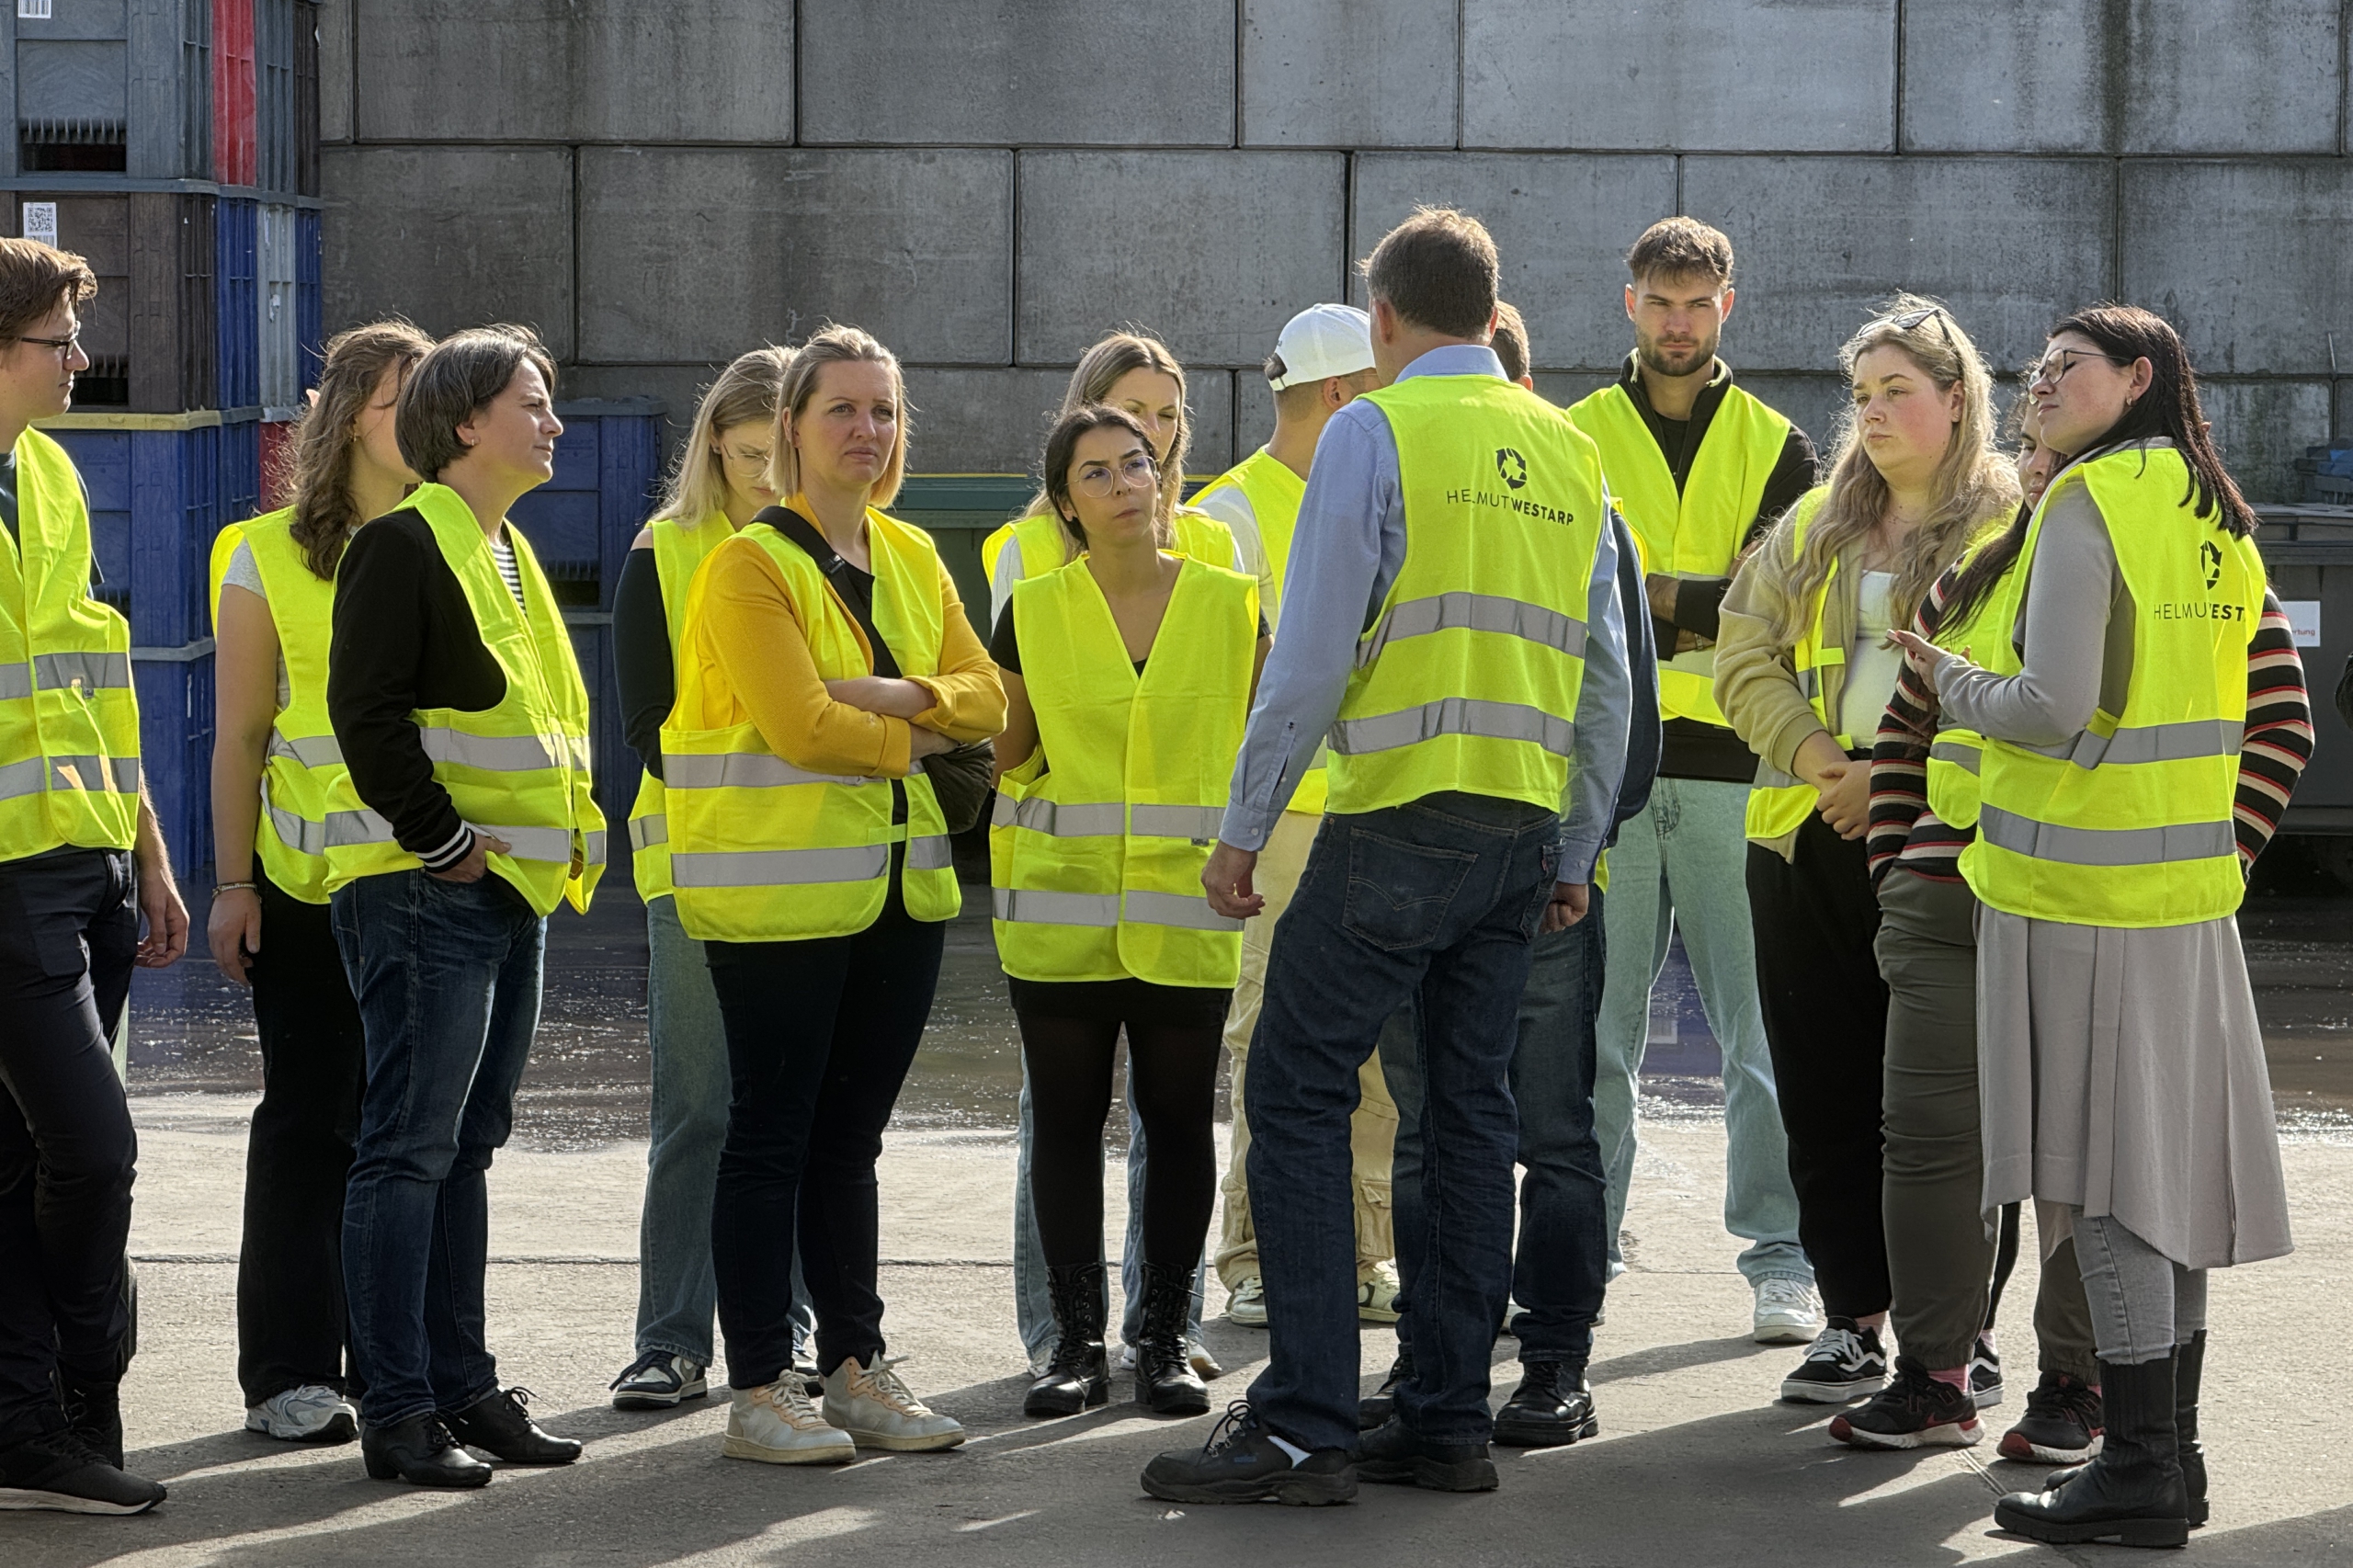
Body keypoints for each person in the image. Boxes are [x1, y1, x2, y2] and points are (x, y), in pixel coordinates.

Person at [1142, 207, 1629, 1505]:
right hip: (1522, 832)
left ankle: (1302, 1419)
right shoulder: (1573, 449)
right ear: (1489, 310)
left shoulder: (1373, 427)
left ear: (1385, 323)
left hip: (1398, 816)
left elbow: (1309, 655)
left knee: (1296, 1092)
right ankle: (1444, 1418)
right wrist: (1576, 843)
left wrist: (1244, 826)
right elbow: (1603, 684)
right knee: (1469, 1119)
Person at [1888, 307, 2294, 1548]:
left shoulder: (2085, 504)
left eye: (2075, 365)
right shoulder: (2209, 512)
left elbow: (2054, 705)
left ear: (2144, 378)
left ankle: (2138, 1474)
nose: (2043, 381)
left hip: (2075, 894)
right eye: (2040, 366)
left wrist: (1941, 670)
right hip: (2184, 898)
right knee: (2167, 1185)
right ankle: (2176, 1464)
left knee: (2102, 1196)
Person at [661, 325, 1002, 1465]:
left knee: (848, 1141)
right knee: (768, 1137)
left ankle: (854, 1366)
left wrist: (898, 693)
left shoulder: (908, 552)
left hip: (899, 894)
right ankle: (760, 1383)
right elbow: (798, 724)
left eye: (885, 410)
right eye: (843, 409)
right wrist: (926, 734)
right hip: (778, 900)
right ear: (792, 430)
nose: (868, 429)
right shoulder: (749, 563)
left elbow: (989, 699)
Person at [1368, 300, 1665, 1449]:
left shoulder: (1425, 469)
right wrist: (1580, 850)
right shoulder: (1577, 482)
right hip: (1536, 853)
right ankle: (1536, 1366)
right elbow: (1610, 694)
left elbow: (1605, 690)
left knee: (1451, 1124)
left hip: (1434, 845)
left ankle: (1462, 1361)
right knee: (1542, 1123)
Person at [1714, 297, 2017, 1405]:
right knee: (1822, 1081)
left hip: (1944, 835)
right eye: (1861, 395)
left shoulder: (2010, 524)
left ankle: (1961, 1332)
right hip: (1809, 830)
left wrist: (1885, 781)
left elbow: (2017, 688)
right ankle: (1852, 1320)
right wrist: (1816, 763)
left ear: (1955, 400)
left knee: (1950, 1100)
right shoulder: (1815, 524)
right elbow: (1741, 654)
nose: (1875, 413)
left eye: (1898, 391)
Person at [325, 324, 606, 1488]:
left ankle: (461, 1385)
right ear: (464, 424)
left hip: (507, 895)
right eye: (532, 403)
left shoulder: (506, 550)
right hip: (427, 895)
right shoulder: (403, 545)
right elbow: (368, 713)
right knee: (409, 1149)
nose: (551, 422)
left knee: (466, 1148)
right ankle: (396, 1409)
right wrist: (443, 842)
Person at [1565, 218, 1820, 1342]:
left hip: (1734, 767)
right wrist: (1699, 600)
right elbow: (1570, 592)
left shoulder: (1781, 445)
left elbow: (1782, 605)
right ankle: (1587, 1243)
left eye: (1696, 304)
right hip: (1607, 769)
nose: (1678, 323)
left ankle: (1778, 1257)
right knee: (1593, 1036)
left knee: (1757, 1034)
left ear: (1728, 306)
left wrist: (1653, 596)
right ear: (1629, 304)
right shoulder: (1567, 435)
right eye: (1660, 303)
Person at [991, 404, 1267, 1419]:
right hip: (1058, 909)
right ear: (1065, 503)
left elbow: (1267, 741)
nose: (1119, 484)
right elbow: (1009, 755)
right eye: (1094, 473)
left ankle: (1162, 1337)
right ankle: (1070, 1342)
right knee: (1063, 1126)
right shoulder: (1030, 607)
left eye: (1134, 465)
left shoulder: (1234, 604)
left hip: (1185, 905)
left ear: (1163, 479)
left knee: (1179, 1125)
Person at [208, 319, 433, 1447]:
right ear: (348, 415)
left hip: (438, 882)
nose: (428, 419)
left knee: (415, 1128)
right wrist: (232, 882)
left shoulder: (462, 541)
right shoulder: (260, 551)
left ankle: (399, 1363)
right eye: (406, 398)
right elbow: (241, 733)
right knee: (313, 1121)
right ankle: (289, 1367)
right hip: (308, 887)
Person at [0, 235, 188, 1517]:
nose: (81, 358)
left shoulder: (55, 476)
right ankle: (77, 1377)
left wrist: (150, 851)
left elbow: (97, 675)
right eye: (58, 337)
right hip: (5, 883)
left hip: (88, 863)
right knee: (95, 1149)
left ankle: (30, 1428)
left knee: (22, 1162)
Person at [1187, 303, 1399, 1332]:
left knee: (1372, 1052)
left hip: (1366, 804)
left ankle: (1366, 1251)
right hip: (1287, 819)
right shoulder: (1230, 516)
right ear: (1341, 396)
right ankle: (1253, 1253)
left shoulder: (1371, 495)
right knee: (1270, 1041)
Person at [607, 346, 808, 1411]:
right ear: (712, 453)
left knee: (799, 1111)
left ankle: (798, 1330)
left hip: (825, 871)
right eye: (746, 459)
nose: (768, 481)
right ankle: (670, 1338)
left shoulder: (843, 550)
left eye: (783, 456)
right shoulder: (666, 548)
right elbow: (649, 730)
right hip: (695, 869)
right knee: (699, 1106)